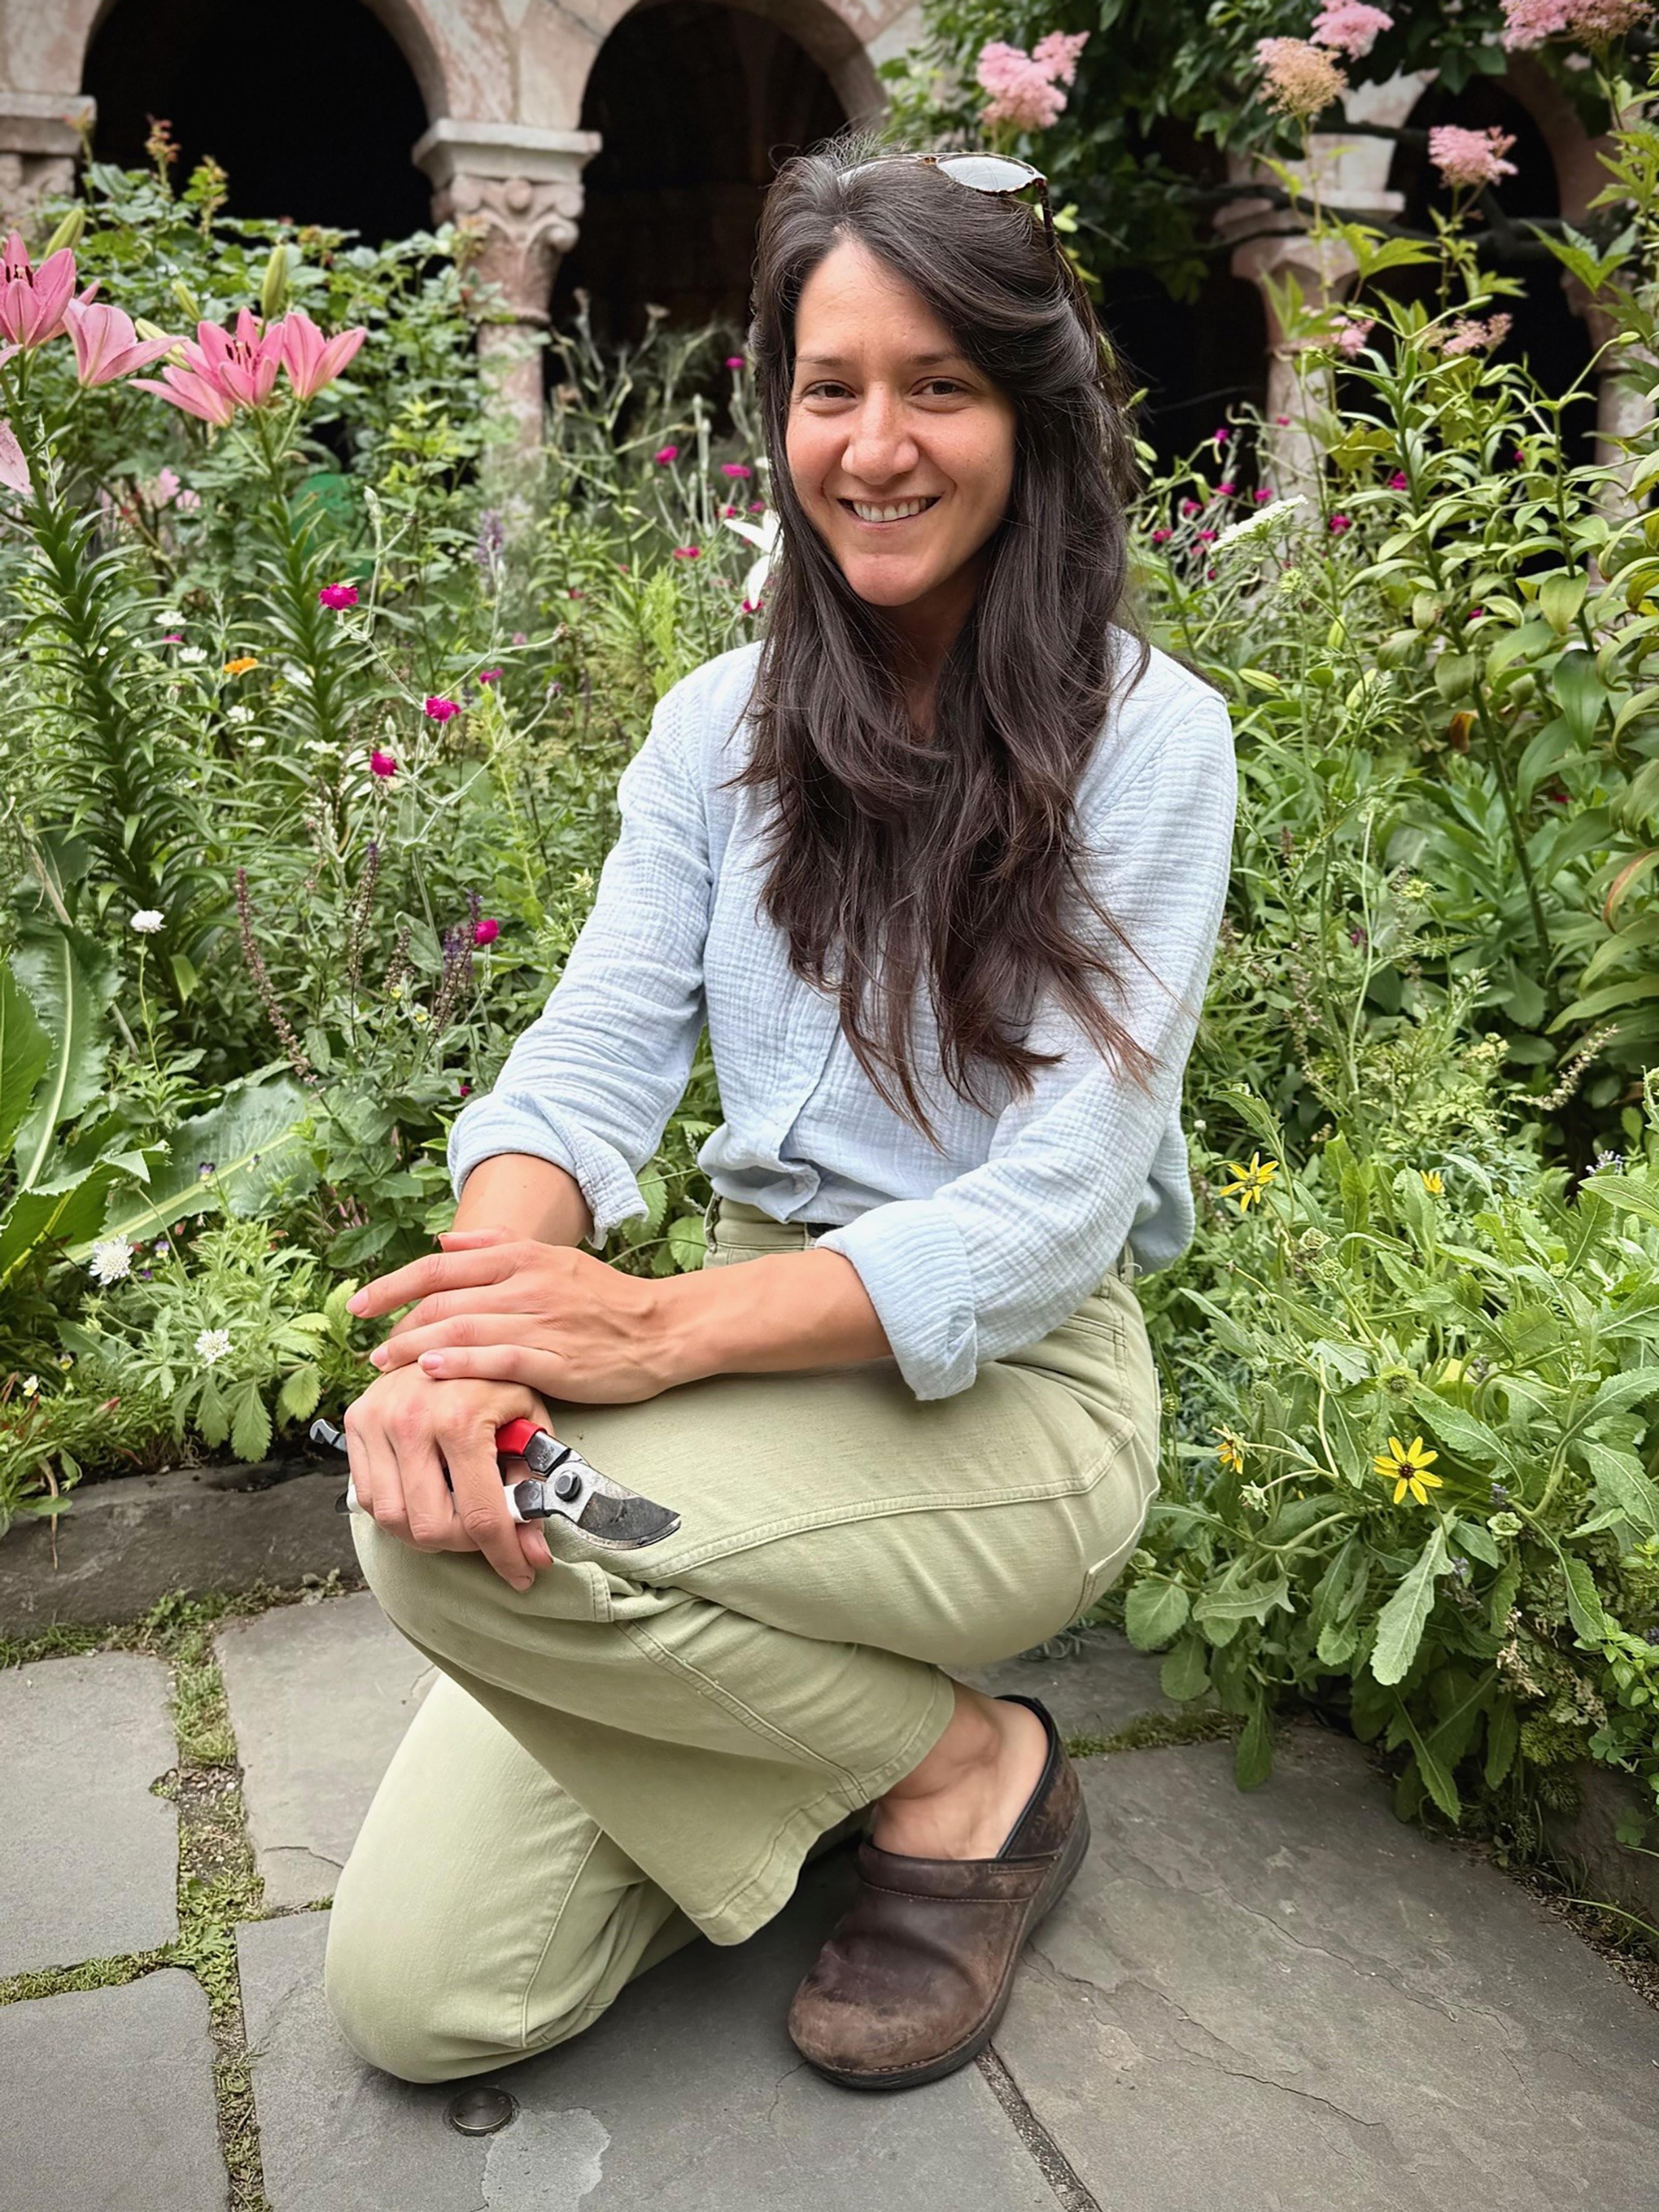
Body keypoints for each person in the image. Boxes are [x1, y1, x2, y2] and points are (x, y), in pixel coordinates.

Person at [323, 128, 1236, 2095]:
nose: (877, 445)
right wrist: (482, 1331)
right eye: (833, 389)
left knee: (435, 1551)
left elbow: (1059, 1204)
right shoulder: (711, 734)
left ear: (1030, 417)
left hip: (1009, 1391)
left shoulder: (1151, 741)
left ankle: (969, 1763)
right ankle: (870, 1734)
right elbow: (578, 1075)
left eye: (940, 387)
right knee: (426, 1996)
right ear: (778, 412)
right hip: (744, 1375)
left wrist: (637, 1330)